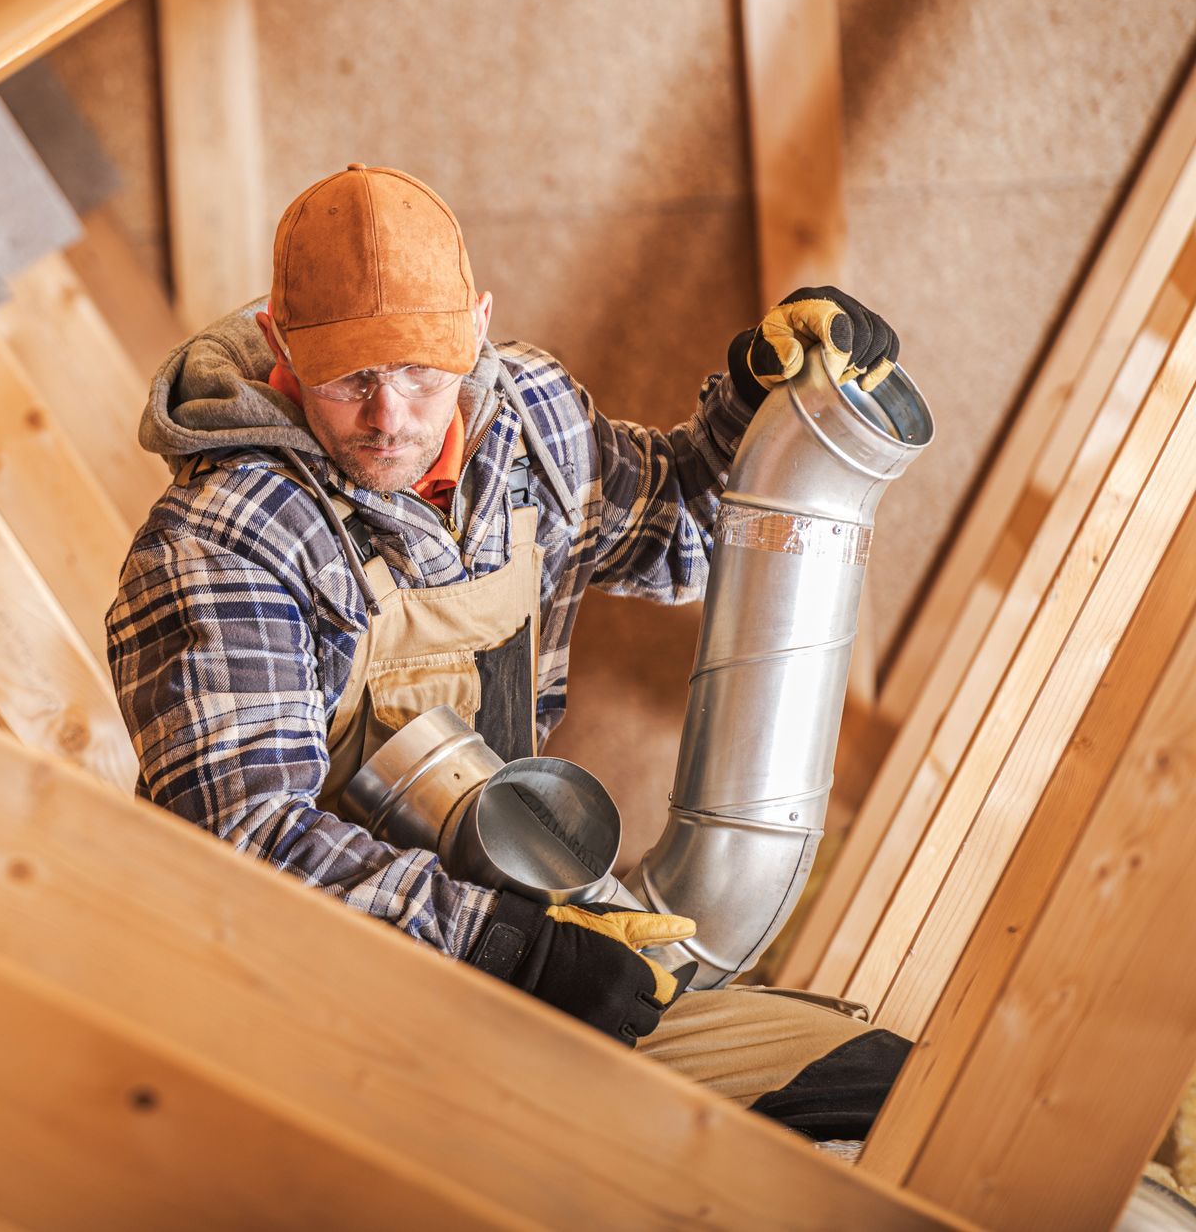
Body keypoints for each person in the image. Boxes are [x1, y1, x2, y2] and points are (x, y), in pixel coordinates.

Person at [107, 163, 908, 1141]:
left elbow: (680, 534)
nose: (390, 415)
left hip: (514, 926)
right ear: (281, 344)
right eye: (352, 375)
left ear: (477, 324)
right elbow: (244, 843)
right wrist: (502, 946)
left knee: (876, 1096)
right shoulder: (228, 540)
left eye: (419, 367)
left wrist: (758, 406)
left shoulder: (529, 425)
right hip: (309, 1016)